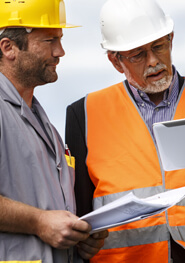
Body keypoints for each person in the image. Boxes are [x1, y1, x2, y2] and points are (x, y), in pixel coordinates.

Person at [65, 0, 185, 262]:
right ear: (116, 61)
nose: (153, 61)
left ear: (171, 39)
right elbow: (80, 209)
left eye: (159, 46)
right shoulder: (84, 114)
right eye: (138, 54)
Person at [0, 0, 109, 262]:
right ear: (8, 48)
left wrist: (76, 238)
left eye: (59, 40)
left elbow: (51, 213)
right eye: (50, 40)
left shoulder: (43, 122)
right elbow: (44, 220)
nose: (60, 52)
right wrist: (39, 222)